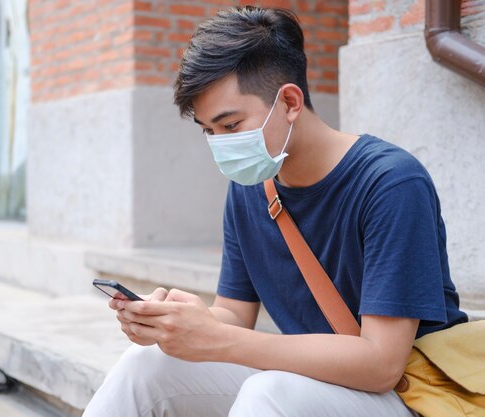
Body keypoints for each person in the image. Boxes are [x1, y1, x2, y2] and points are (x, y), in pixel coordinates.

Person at [82, 6, 468, 417]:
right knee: (146, 368)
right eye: (208, 131)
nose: (220, 144)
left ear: (289, 101)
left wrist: (219, 341)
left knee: (268, 394)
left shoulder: (391, 183)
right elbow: (234, 313)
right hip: (310, 384)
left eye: (230, 126)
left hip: (409, 395)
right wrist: (184, 321)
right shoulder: (250, 187)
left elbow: (381, 365)